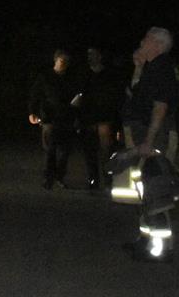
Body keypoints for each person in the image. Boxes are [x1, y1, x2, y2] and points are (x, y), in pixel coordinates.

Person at [122, 26, 179, 261]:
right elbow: (135, 96)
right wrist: (138, 67)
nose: (141, 42)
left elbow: (160, 107)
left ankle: (161, 249)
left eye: (146, 39)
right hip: (145, 135)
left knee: (157, 192)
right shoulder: (151, 68)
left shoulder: (163, 68)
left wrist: (149, 141)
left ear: (158, 44)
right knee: (145, 191)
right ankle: (146, 240)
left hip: (156, 137)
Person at [28, 49, 75, 189]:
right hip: (49, 117)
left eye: (66, 61)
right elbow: (35, 94)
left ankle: (59, 177)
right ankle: (48, 178)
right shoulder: (45, 76)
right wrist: (32, 112)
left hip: (66, 118)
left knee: (64, 151)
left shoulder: (70, 78)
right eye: (61, 60)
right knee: (50, 149)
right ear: (56, 60)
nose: (63, 64)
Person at [79, 46, 123, 191]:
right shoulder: (84, 74)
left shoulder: (109, 75)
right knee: (90, 151)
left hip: (105, 117)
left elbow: (116, 97)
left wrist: (117, 121)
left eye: (93, 54)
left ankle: (108, 179)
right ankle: (93, 180)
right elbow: (79, 96)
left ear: (100, 56)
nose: (90, 57)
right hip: (88, 119)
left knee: (106, 151)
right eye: (88, 54)